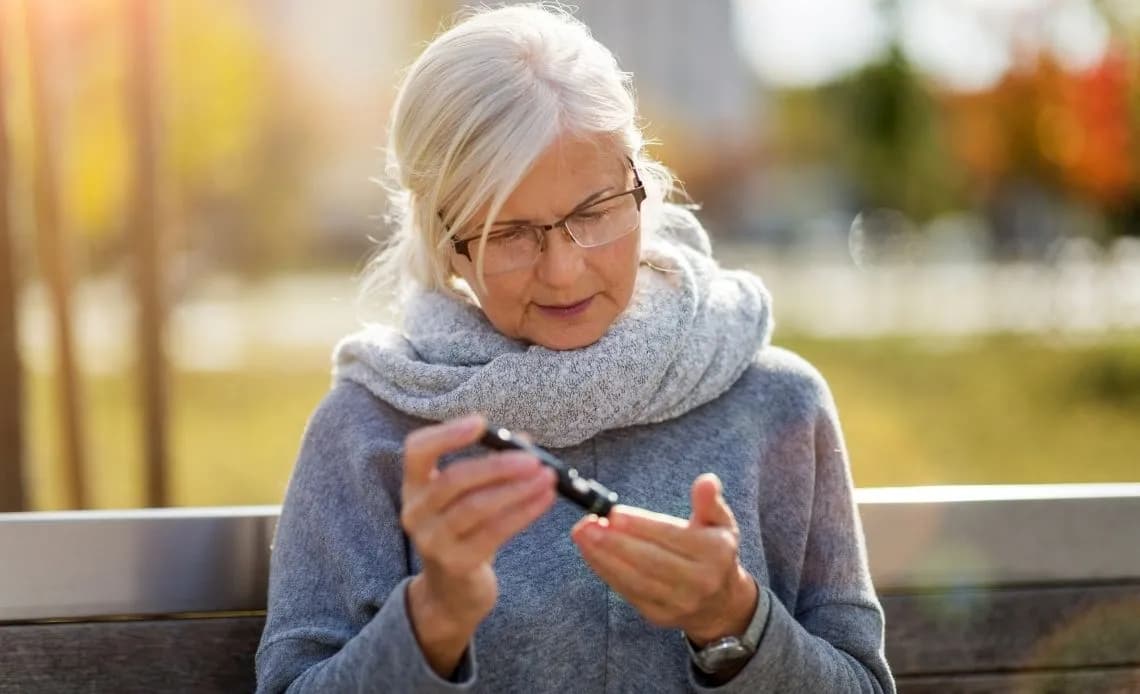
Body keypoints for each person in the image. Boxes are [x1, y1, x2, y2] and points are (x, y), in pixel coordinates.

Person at [255, 4, 895, 692]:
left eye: (593, 213)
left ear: (641, 189)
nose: (562, 270)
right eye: (508, 233)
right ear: (447, 245)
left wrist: (734, 619)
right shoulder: (369, 431)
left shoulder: (779, 405)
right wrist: (432, 620)